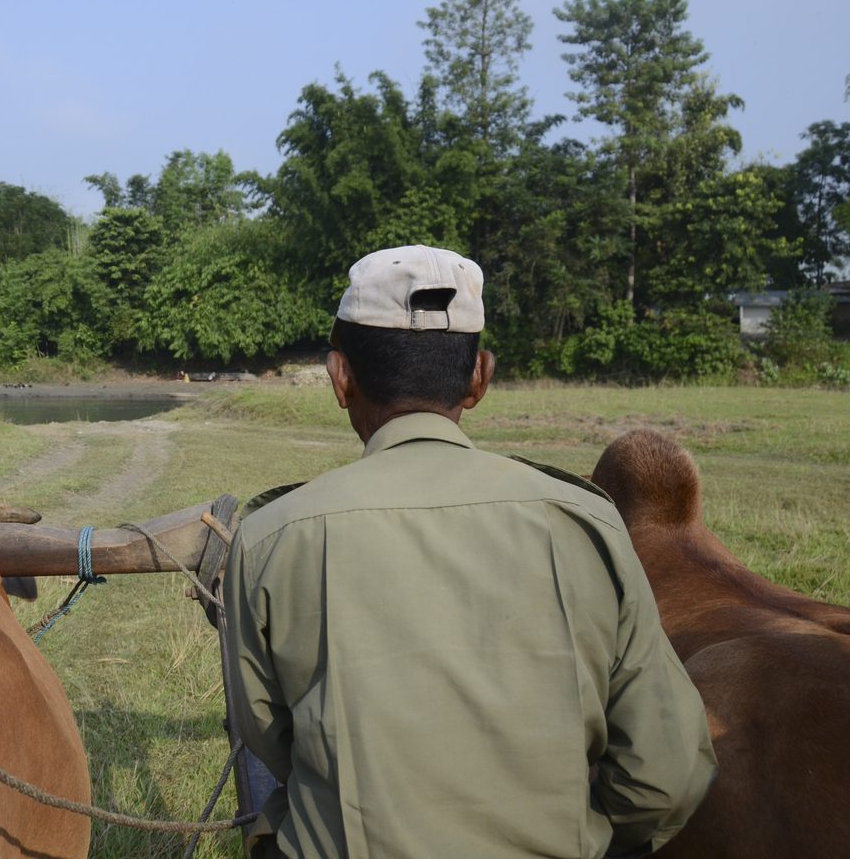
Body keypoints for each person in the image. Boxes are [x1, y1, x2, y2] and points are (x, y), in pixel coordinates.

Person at [224, 244, 716, 859]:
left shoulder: (271, 536)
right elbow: (664, 778)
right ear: (480, 376)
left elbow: (270, 740)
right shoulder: (589, 522)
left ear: (339, 377)